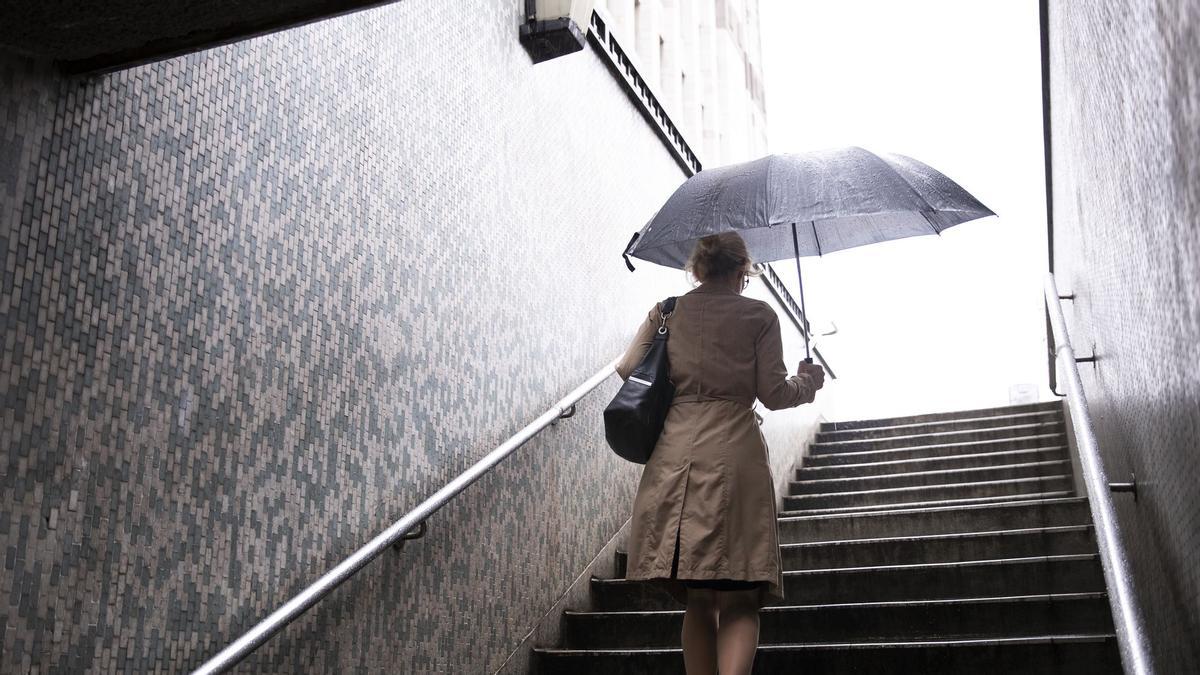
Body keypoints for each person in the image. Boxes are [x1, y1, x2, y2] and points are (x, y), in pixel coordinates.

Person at [615, 231, 826, 675]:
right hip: (736, 455)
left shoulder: (667, 311)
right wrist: (808, 382)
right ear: (742, 271)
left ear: (696, 269)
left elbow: (628, 368)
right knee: (740, 598)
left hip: (677, 458)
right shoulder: (759, 316)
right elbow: (774, 394)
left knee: (699, 599)